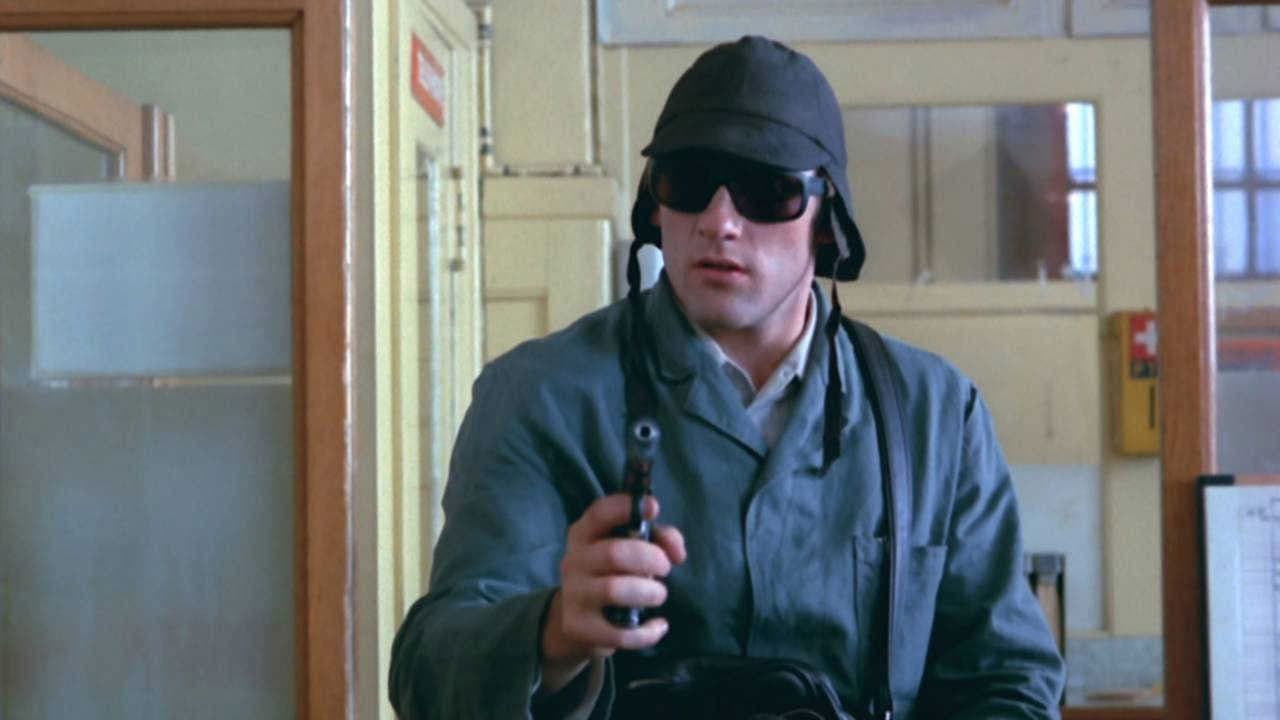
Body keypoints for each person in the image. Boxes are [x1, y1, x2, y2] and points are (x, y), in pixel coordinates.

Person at [389, 35, 1065, 720]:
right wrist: (552, 633)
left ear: (827, 221)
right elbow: (428, 674)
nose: (719, 223)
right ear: (656, 205)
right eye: (688, 182)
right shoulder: (541, 398)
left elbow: (1008, 682)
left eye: (766, 192)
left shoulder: (934, 417)